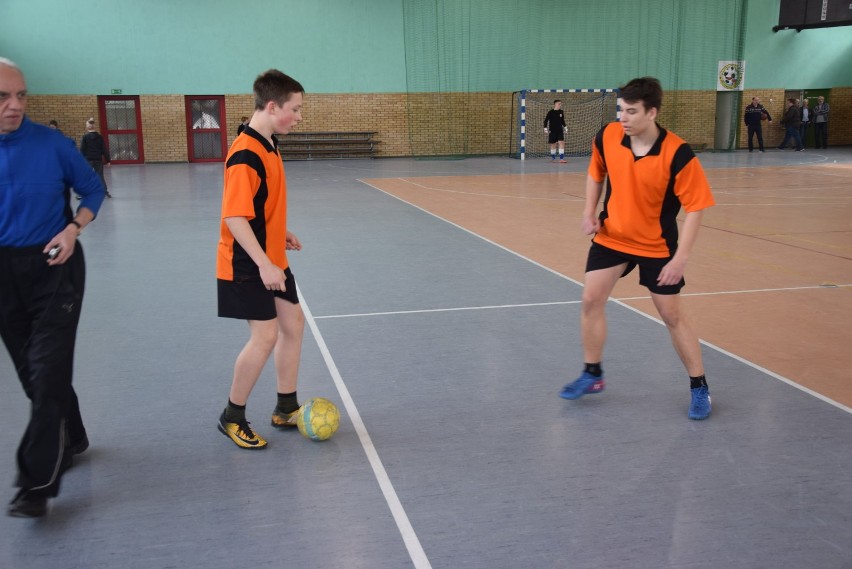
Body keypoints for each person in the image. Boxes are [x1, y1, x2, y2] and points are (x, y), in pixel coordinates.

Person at [559, 77, 715, 421]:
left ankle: (699, 385)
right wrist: (589, 212)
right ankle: (593, 374)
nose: (623, 118)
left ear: (652, 112)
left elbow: (696, 208)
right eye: (620, 110)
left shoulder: (678, 153)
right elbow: (595, 172)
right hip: (612, 236)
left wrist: (680, 257)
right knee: (590, 300)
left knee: (672, 316)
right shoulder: (609, 136)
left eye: (631, 112)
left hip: (656, 246)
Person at [0, 57, 106, 517]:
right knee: (35, 374)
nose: (14, 105)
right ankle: (74, 433)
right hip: (4, 275)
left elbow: (93, 190)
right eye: (3, 97)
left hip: (54, 267)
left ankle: (36, 484)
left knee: (46, 375)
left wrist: (73, 229)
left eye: (20, 95)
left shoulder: (53, 145)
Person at [216, 69, 306, 449]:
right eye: (295, 109)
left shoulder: (268, 142)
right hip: (247, 262)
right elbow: (234, 217)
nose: (299, 117)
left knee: (293, 324)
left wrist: (277, 230)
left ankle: (285, 407)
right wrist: (265, 263)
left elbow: (257, 204)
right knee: (265, 336)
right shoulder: (245, 154)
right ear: (272, 106)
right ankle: (232, 416)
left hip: (270, 254)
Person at [80, 118, 112, 197]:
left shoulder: (85, 137)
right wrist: (108, 160)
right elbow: (104, 149)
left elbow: (82, 149)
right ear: (95, 127)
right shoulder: (100, 137)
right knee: (100, 175)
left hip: (88, 160)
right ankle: (104, 191)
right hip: (98, 159)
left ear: (87, 127)